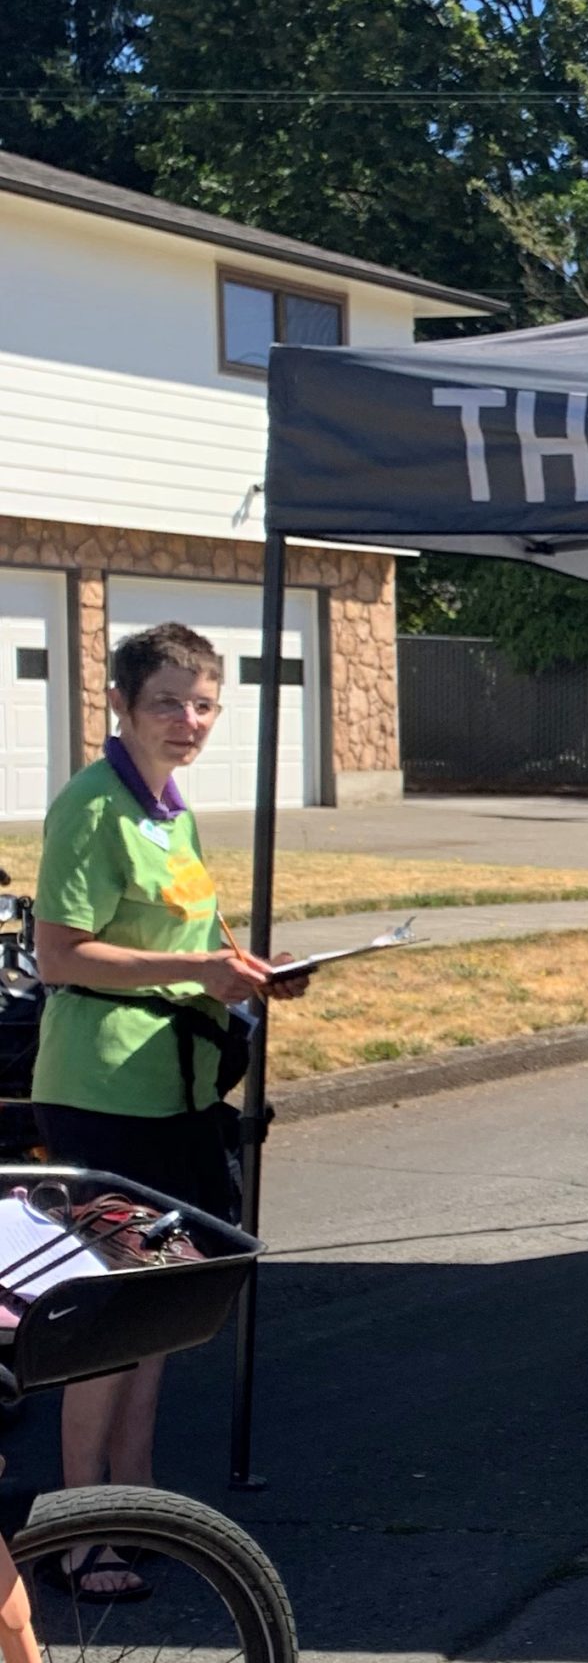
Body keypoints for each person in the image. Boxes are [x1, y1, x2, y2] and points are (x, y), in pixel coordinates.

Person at [30, 622, 306, 1605]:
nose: (187, 722)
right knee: (107, 1315)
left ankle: (138, 1501)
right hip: (104, 1093)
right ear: (121, 704)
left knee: (162, 1301)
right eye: (166, 703)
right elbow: (58, 954)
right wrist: (198, 969)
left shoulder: (170, 809)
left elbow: (197, 927)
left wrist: (247, 971)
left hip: (176, 1090)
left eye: (202, 705)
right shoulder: (92, 807)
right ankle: (76, 1534)